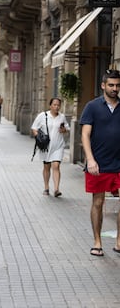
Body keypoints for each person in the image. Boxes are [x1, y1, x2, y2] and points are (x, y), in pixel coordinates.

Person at [79, 69, 120, 257]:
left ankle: (119, 241)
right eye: (111, 85)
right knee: (98, 202)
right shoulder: (92, 107)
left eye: (117, 85)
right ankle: (97, 242)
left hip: (118, 163)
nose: (114, 88)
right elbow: (85, 134)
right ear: (103, 85)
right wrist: (90, 159)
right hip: (99, 164)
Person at [31, 98, 69, 197]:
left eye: (58, 105)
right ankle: (46, 187)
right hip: (46, 146)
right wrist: (38, 138)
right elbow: (34, 128)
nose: (57, 107)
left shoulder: (62, 117)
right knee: (46, 166)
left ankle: (56, 189)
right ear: (50, 105)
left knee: (56, 166)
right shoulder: (42, 116)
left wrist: (64, 130)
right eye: (54, 105)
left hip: (58, 145)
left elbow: (67, 129)